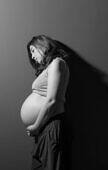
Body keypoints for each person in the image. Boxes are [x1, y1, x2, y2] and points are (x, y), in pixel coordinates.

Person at [20, 35, 70, 170]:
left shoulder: (57, 63)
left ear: (42, 45)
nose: (32, 56)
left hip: (50, 125)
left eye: (33, 50)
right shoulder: (49, 68)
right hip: (44, 127)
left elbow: (53, 100)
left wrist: (36, 126)